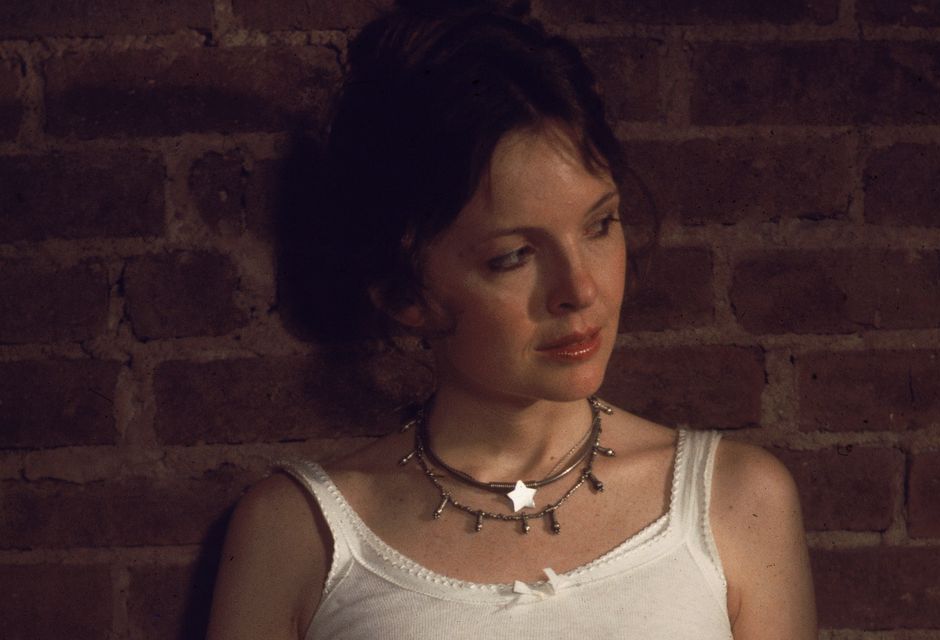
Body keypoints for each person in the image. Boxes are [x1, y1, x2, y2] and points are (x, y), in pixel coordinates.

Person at [207, 3, 817, 638]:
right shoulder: (298, 535)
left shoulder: (736, 503)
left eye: (600, 224)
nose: (579, 289)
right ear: (403, 292)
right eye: (514, 256)